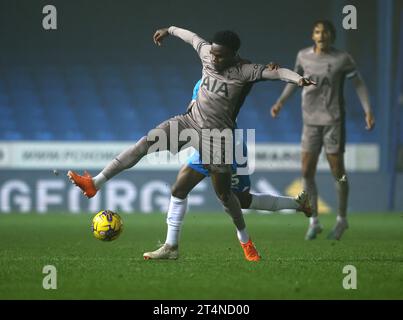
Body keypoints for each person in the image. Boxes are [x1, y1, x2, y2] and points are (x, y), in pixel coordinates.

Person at [67, 26, 314, 261]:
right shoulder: (207, 53)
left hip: (219, 139)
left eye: (221, 56)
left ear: (234, 55)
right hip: (190, 123)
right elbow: (192, 37)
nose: (215, 59)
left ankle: (248, 240)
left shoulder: (245, 71)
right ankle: (96, 183)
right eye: (213, 54)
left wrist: (298, 79)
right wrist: (170, 30)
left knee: (229, 197)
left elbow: (278, 72)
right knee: (149, 149)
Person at [143, 78, 313, 260]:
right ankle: (171, 246)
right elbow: (191, 112)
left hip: (229, 146)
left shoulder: (231, 82)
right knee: (179, 189)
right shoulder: (200, 83)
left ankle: (291, 209)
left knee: (239, 200)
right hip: (205, 144)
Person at [270, 20, 375, 240]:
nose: (321, 35)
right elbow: (294, 80)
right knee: (307, 171)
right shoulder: (303, 56)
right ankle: (314, 220)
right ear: (313, 35)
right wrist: (280, 102)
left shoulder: (342, 59)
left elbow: (358, 84)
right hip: (309, 121)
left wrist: (367, 110)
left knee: (339, 173)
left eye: (325, 32)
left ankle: (342, 218)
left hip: (333, 121)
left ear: (332, 36)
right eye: (318, 32)